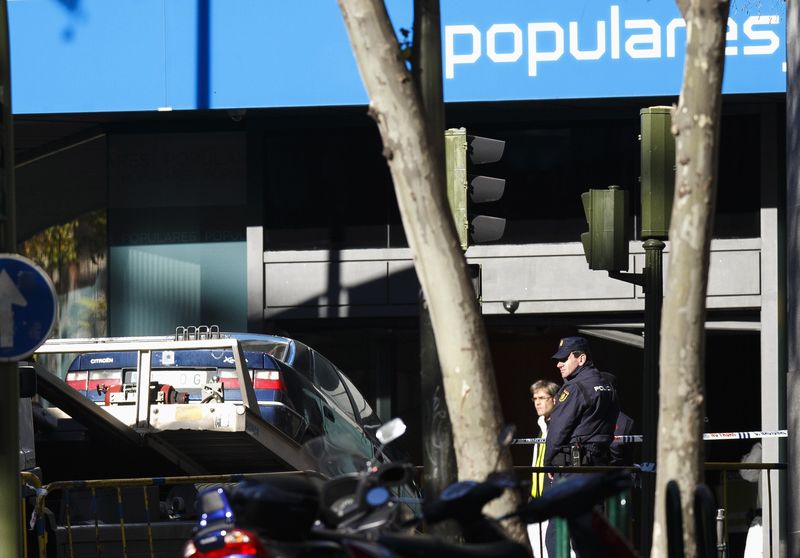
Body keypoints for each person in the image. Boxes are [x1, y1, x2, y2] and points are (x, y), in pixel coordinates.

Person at [545, 336, 619, 558]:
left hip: (571, 471)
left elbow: (557, 430)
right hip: (596, 470)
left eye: (564, 359)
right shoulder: (607, 386)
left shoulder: (574, 389)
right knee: (591, 533)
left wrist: (548, 462)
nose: (559, 364)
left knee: (557, 534)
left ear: (581, 358)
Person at [527, 379, 559, 558]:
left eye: (541, 397)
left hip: (552, 498)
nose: (537, 402)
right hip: (537, 499)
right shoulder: (542, 425)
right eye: (534, 398)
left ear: (554, 399)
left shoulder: (558, 426)